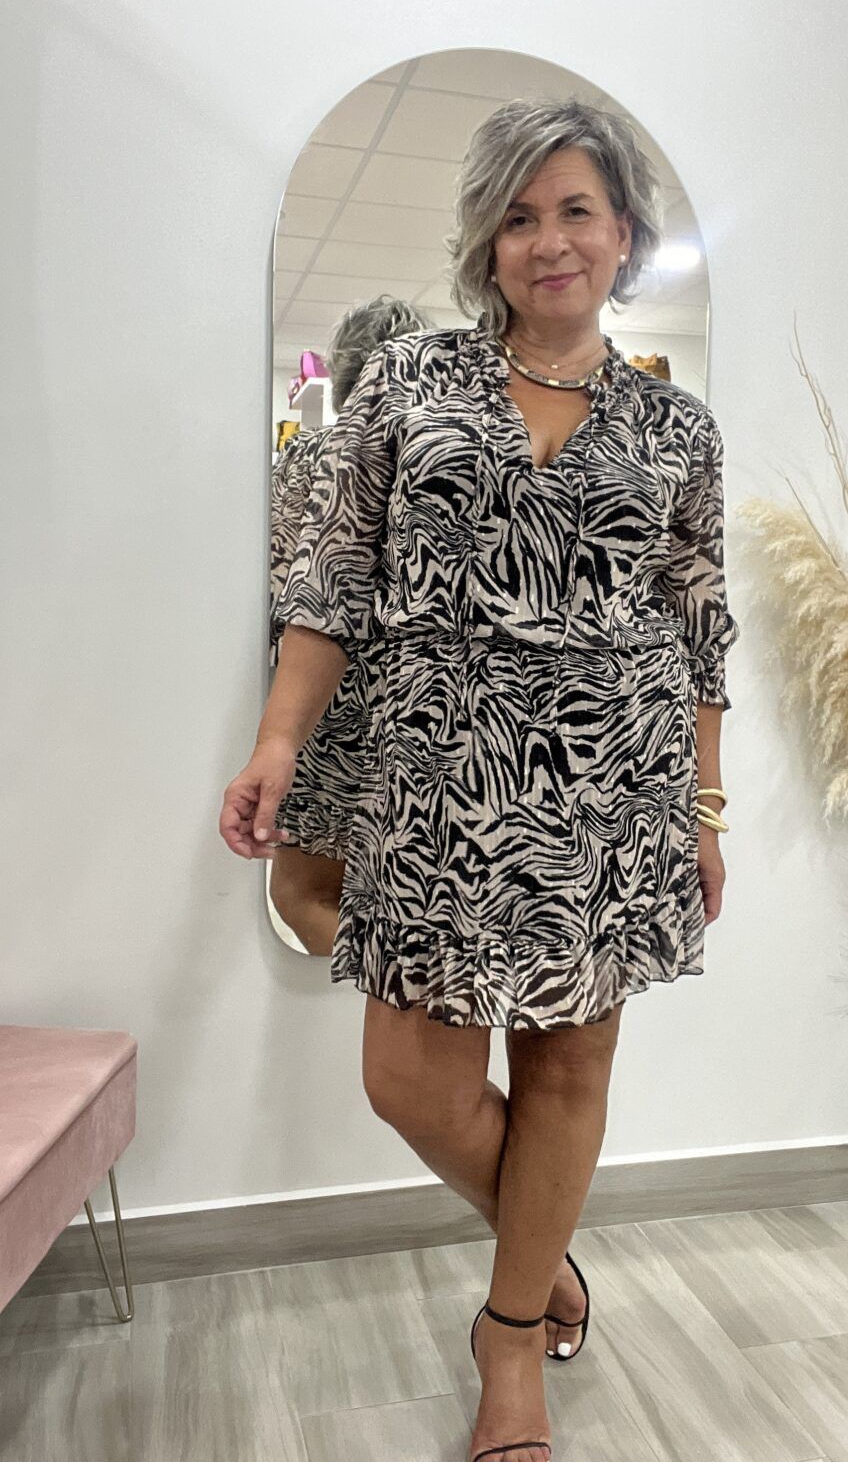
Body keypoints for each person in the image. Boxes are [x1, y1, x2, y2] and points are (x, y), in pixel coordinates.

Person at [220, 97, 740, 1462]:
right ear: (485, 243)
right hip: (432, 775)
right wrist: (278, 742)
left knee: (570, 1060)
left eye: (575, 211)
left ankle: (511, 1343)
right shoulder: (411, 382)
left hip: (612, 783)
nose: (547, 240)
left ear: (621, 234)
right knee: (410, 1077)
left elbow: (699, 630)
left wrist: (703, 806)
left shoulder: (677, 428)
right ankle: (545, 1258)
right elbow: (331, 580)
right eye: (518, 216)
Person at [268, 296, 431, 954]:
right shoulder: (439, 462)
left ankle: (412, 1009)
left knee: (305, 894)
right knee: (410, 903)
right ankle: (424, 1005)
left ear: (340, 374)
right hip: (424, 711)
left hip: (327, 708)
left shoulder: (309, 460)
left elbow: (283, 583)